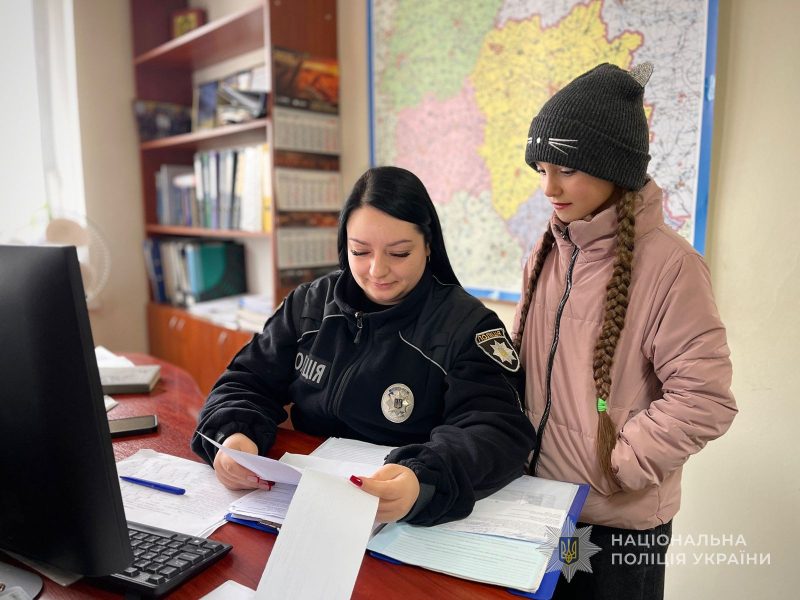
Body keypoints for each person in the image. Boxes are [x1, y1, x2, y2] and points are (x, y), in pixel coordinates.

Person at [192, 165, 536, 526]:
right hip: (304, 501)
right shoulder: (309, 306)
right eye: (360, 252)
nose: (377, 271)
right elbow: (246, 380)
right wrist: (233, 436)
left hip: (399, 514)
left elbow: (497, 429)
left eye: (399, 253)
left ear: (429, 245)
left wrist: (423, 477)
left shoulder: (467, 326)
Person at [514, 62, 737, 599]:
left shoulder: (672, 267)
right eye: (541, 168)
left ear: (612, 165)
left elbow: (705, 398)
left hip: (618, 527)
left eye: (565, 169)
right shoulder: (545, 252)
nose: (549, 187)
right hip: (541, 508)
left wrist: (619, 465)